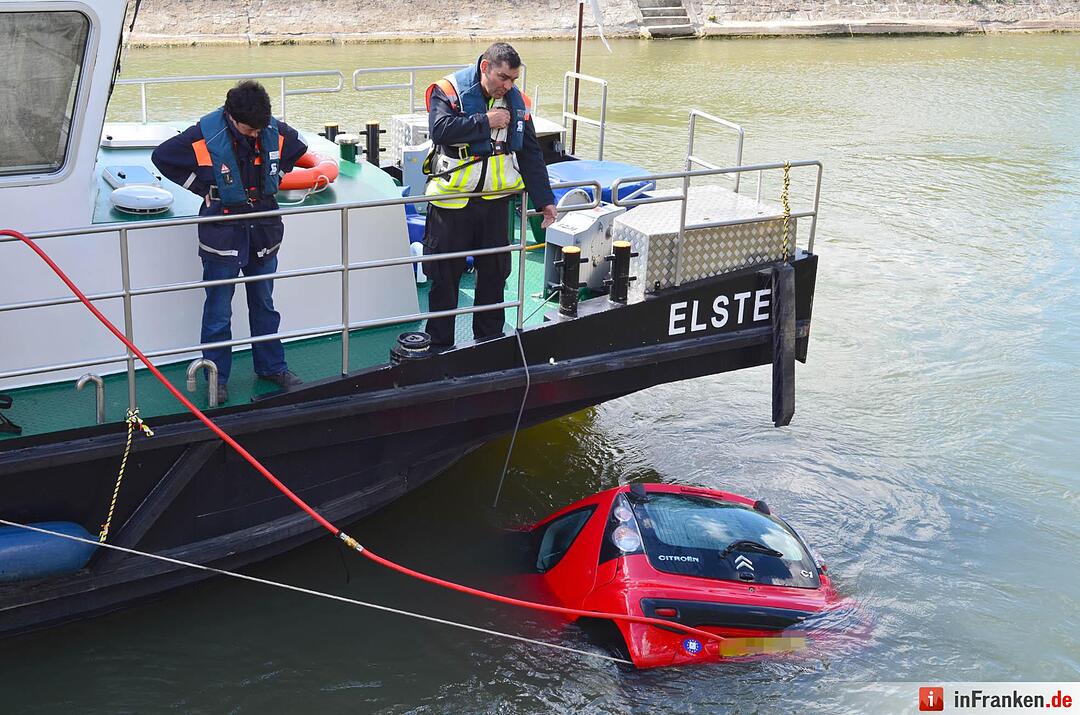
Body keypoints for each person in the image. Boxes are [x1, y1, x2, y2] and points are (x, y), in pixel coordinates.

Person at [152, 80, 306, 403]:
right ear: (232, 118)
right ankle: (216, 378)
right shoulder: (202, 136)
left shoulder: (270, 130)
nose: (255, 135)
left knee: (264, 303)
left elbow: (297, 148)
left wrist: (275, 175)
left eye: (258, 129)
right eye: (250, 129)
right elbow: (162, 157)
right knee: (218, 310)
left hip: (262, 231)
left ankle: (272, 367)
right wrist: (202, 186)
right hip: (222, 235)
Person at [422, 42, 558, 348]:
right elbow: (440, 130)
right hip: (450, 203)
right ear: (485, 67)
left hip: (496, 204)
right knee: (445, 278)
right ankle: (440, 347)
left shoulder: (517, 102)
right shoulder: (449, 90)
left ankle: (489, 342)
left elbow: (531, 153)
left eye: (512, 80)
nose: (507, 85)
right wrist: (486, 122)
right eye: (502, 78)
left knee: (495, 275)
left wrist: (545, 200)